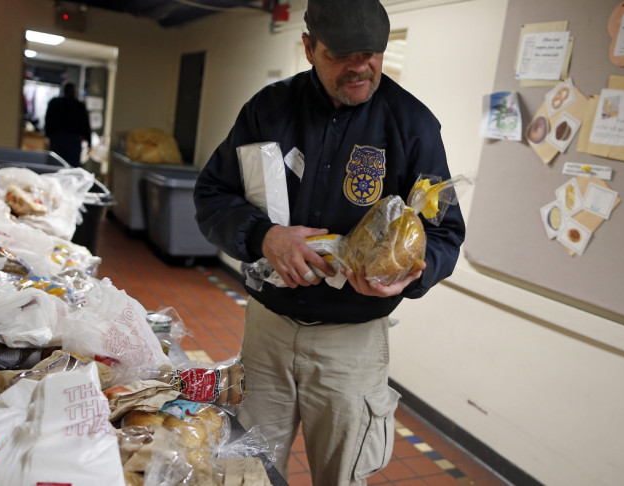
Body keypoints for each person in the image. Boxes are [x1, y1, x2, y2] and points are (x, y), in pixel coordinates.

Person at [193, 0, 465, 484]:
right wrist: (263, 236)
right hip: (267, 332)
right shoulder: (268, 109)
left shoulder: (412, 126)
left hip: (351, 347)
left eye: (372, 53)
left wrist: (406, 278)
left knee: (342, 476)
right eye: (342, 54)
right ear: (308, 48)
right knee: (242, 469)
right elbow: (213, 193)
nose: (360, 66)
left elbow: (442, 233)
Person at [44, 82, 91, 167]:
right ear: (74, 92)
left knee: (55, 165)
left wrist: (48, 134)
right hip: (72, 140)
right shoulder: (79, 106)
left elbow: (48, 120)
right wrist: (89, 141)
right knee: (71, 167)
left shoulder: (55, 103)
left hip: (58, 139)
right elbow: (85, 125)